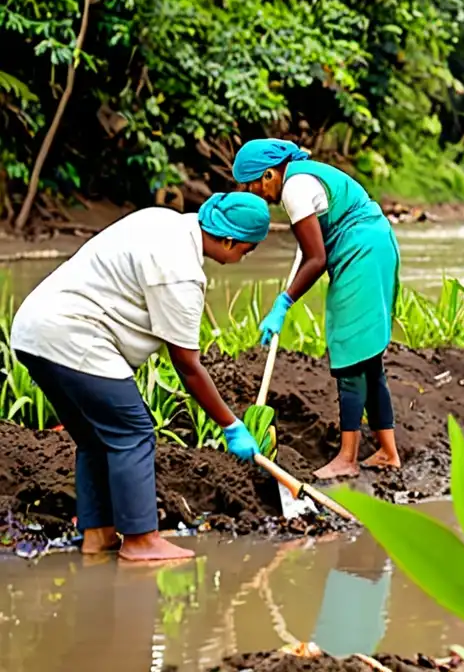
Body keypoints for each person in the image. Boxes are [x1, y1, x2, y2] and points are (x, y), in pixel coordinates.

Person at [11, 192, 271, 561]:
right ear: (229, 240)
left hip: (32, 332)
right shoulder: (181, 273)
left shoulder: (163, 220)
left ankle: (98, 535)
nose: (243, 257)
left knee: (95, 438)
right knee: (133, 431)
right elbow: (186, 364)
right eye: (247, 249)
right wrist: (231, 425)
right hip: (75, 336)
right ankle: (140, 540)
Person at [232, 139, 401, 480]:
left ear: (268, 175)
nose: (253, 193)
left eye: (251, 184)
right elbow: (315, 246)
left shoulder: (294, 188)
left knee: (351, 355)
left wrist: (284, 302)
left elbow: (316, 259)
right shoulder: (302, 178)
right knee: (369, 362)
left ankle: (347, 458)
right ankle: (388, 452)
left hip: (361, 253)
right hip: (375, 244)